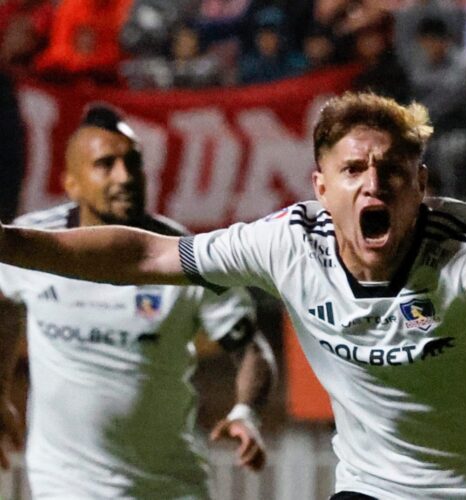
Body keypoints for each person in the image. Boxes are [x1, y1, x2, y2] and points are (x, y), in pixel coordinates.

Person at [0, 92, 466, 499]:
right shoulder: (287, 244)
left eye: (392, 172)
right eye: (353, 171)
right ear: (321, 188)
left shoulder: (463, 242)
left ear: (421, 186)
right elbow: (143, 255)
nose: (373, 184)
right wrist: (5, 242)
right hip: (377, 488)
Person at [0, 104, 276, 499]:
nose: (124, 177)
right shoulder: (33, 246)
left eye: (133, 163)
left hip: (169, 487)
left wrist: (247, 411)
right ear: (72, 183)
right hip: (66, 486)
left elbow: (251, 349)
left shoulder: (186, 256)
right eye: (105, 164)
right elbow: (5, 304)